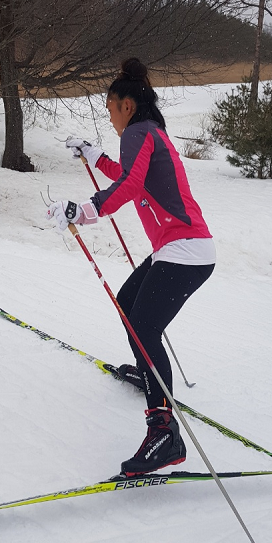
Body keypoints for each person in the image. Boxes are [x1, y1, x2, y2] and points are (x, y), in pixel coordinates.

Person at [46, 58, 215, 476]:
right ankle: (151, 376)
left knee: (143, 326)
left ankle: (165, 433)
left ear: (126, 105)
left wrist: (84, 210)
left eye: (110, 109)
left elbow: (131, 183)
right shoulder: (150, 132)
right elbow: (129, 173)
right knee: (128, 304)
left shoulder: (140, 131)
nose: (110, 117)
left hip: (186, 250)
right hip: (179, 248)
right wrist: (94, 154)